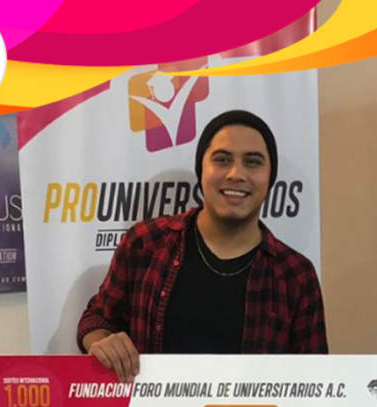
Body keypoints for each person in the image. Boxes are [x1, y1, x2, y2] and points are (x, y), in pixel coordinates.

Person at [78, 110, 327, 381]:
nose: (236, 173)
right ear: (202, 170)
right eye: (222, 159)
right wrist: (102, 341)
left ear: (270, 179)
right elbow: (97, 318)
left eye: (253, 162)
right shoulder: (145, 243)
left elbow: (313, 381)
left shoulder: (295, 275)